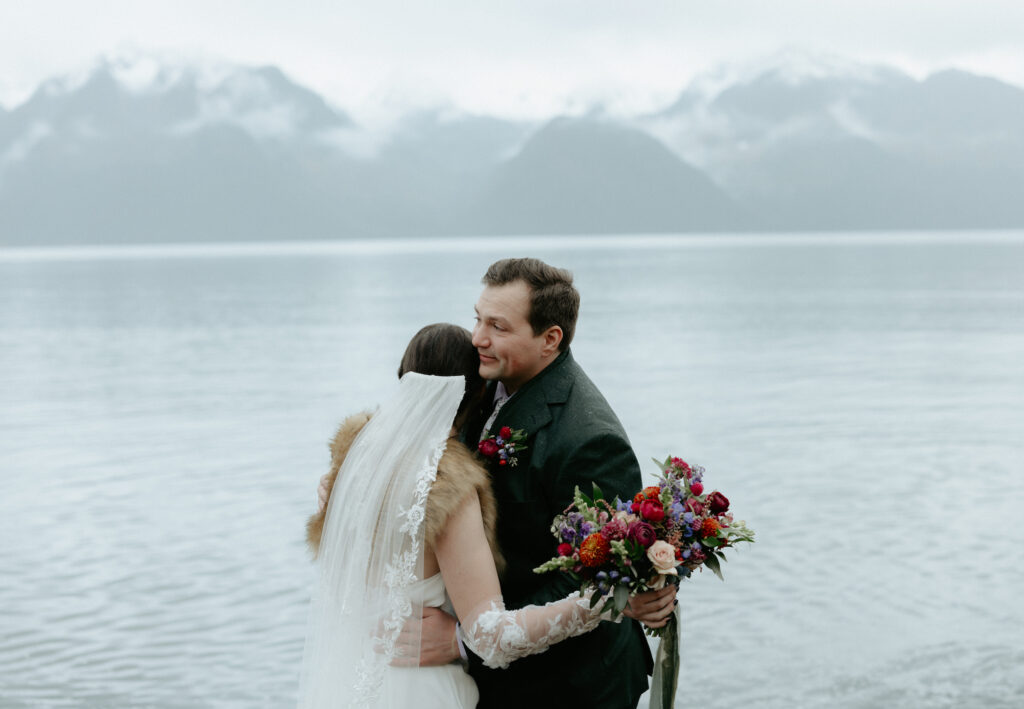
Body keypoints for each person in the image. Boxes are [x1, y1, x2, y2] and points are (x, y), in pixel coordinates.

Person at [299, 323, 627, 709]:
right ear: (480, 393)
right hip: (422, 689)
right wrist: (605, 602)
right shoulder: (444, 483)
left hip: (355, 676)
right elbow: (492, 637)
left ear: (403, 377)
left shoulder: (353, 464)